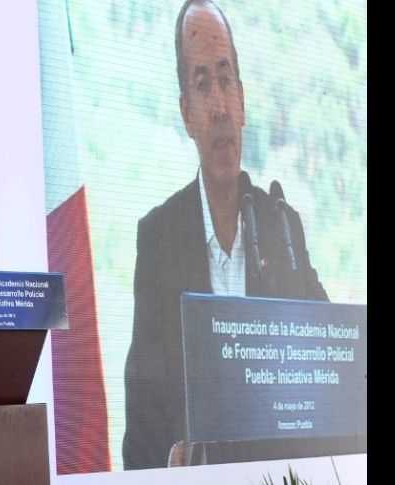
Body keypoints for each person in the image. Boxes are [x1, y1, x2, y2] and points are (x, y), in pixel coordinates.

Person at [123, 0, 328, 471]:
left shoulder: (282, 226)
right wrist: (166, 458)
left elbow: (331, 361)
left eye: (225, 79)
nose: (218, 105)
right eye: (201, 84)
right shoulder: (158, 239)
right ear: (186, 114)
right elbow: (142, 422)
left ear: (242, 100)